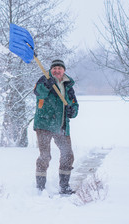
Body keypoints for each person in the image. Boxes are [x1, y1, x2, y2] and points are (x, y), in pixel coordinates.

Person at [33, 59, 79, 195]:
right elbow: (38, 92)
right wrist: (47, 85)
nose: (57, 71)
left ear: (64, 70)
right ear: (51, 70)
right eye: (54, 68)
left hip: (61, 125)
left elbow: (74, 104)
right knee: (45, 156)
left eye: (60, 68)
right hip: (44, 124)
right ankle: (40, 188)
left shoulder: (68, 86)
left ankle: (64, 186)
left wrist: (73, 111)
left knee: (68, 155)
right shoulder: (44, 79)